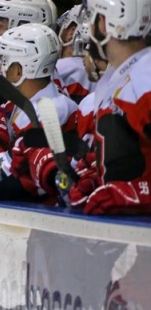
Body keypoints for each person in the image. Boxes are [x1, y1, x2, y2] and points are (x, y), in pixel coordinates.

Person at [0, 23, 78, 203]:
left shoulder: (52, 110)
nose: (0, 69)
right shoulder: (22, 106)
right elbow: (5, 186)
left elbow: (14, 188)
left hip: (53, 221)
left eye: (5, 61)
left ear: (19, 70)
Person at [68, 0, 151, 214]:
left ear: (104, 23)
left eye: (93, 17)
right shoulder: (120, 77)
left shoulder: (145, 79)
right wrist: (97, 179)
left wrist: (137, 193)